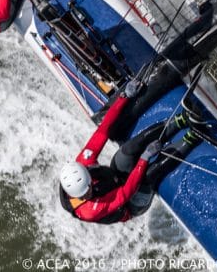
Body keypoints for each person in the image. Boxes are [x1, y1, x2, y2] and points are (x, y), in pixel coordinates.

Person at [58, 83, 204, 223]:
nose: (89, 191)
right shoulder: (90, 211)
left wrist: (124, 96)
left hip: (114, 176)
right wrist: (144, 158)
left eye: (89, 186)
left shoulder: (84, 162)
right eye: (85, 194)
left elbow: (102, 132)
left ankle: (181, 120)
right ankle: (193, 137)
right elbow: (126, 192)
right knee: (148, 175)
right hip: (130, 203)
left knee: (129, 149)